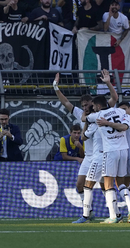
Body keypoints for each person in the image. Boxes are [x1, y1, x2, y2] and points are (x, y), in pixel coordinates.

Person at [52, 69, 118, 209]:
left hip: (101, 155)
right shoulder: (80, 114)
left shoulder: (101, 112)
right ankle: (88, 212)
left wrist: (108, 83)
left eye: (87, 105)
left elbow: (114, 98)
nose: (84, 108)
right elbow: (65, 102)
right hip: (89, 157)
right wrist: (55, 87)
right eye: (82, 106)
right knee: (79, 184)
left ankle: (113, 212)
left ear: (93, 104)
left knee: (103, 185)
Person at [86, 96, 130, 223]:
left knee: (108, 184)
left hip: (110, 151)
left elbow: (85, 118)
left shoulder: (97, 116)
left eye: (94, 106)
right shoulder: (120, 111)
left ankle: (113, 216)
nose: (93, 108)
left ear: (99, 106)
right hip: (124, 150)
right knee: (121, 183)